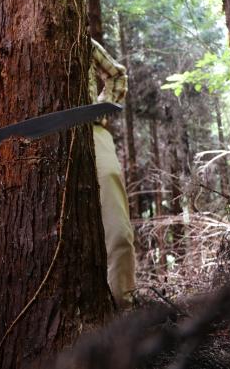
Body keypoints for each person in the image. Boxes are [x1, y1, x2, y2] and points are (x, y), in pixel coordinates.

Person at [89, 38, 136, 309]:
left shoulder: (83, 40)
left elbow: (117, 74)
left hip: (92, 133)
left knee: (117, 232)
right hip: (40, 141)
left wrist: (99, 110)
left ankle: (122, 307)